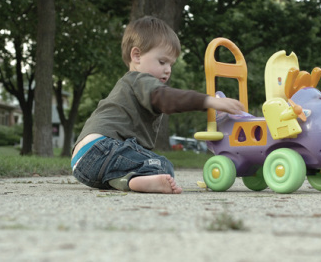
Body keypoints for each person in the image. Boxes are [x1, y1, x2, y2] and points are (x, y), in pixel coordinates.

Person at [71, 16, 244, 194]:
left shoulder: (127, 85)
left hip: (82, 163)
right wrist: (209, 101)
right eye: (162, 62)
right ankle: (137, 181)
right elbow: (167, 98)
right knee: (162, 166)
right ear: (136, 55)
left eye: (171, 64)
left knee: (145, 165)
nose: (168, 69)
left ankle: (126, 181)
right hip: (103, 148)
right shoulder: (141, 80)